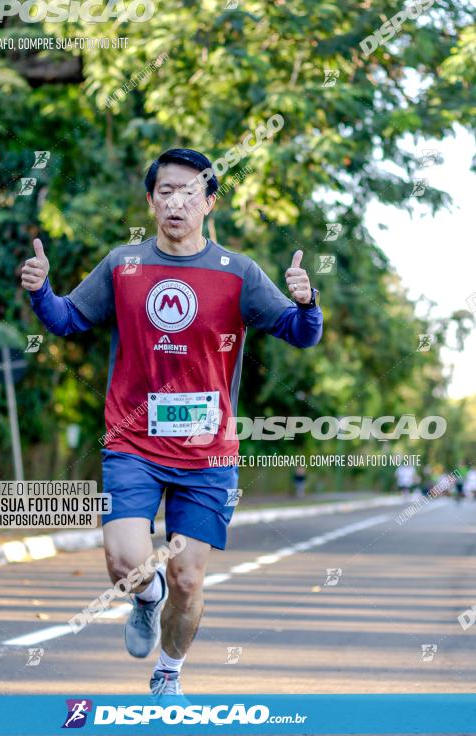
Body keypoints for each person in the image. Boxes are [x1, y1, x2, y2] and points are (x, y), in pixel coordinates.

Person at [21, 147, 323, 699]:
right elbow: (68, 319)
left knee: (188, 578)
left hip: (208, 453)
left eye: (189, 193)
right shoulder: (123, 265)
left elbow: (300, 334)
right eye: (165, 192)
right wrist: (42, 291)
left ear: (210, 202)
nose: (176, 202)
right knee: (126, 561)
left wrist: (307, 305)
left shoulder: (239, 274)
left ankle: (168, 673)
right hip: (133, 439)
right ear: (150, 201)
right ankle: (145, 597)